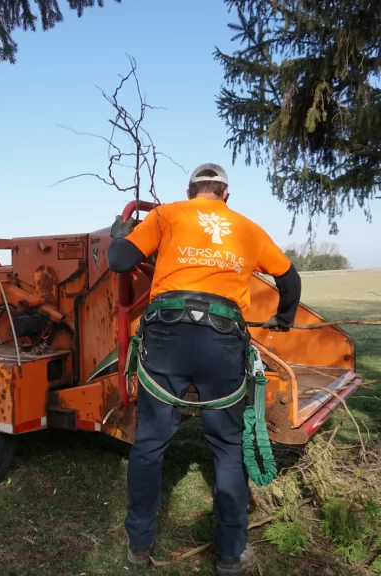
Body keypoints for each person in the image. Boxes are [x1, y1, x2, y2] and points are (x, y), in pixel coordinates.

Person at [107, 163, 301, 576]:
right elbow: (290, 279)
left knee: (150, 443)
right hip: (222, 340)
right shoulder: (247, 228)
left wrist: (120, 235)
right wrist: (283, 319)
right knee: (228, 446)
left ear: (190, 191)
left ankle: (139, 545)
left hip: (166, 338)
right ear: (225, 194)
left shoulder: (167, 215)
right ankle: (230, 554)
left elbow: (119, 261)